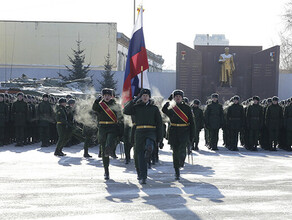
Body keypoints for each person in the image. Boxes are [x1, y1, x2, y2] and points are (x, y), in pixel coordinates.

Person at [123, 88, 163, 184]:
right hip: (139, 131)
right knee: (140, 155)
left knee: (149, 142)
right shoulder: (136, 107)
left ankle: (149, 148)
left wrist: (160, 137)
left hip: (151, 131)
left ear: (149, 97)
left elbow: (159, 123)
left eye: (147, 96)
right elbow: (126, 110)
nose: (145, 97)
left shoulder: (154, 108)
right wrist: (134, 101)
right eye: (143, 96)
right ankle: (143, 176)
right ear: (140, 97)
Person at [162, 90, 195, 180]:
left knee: (182, 149)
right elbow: (164, 110)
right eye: (176, 96)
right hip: (173, 131)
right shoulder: (171, 107)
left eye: (179, 96)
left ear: (182, 98)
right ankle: (177, 171)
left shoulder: (187, 108)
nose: (178, 98)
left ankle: (181, 162)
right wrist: (168, 101)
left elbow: (192, 122)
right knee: (175, 152)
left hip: (184, 131)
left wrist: (192, 135)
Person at [92, 88, 123, 180]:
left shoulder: (115, 105)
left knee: (109, 141)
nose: (107, 97)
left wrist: (121, 131)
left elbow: (120, 117)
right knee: (103, 147)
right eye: (105, 95)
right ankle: (106, 170)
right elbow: (94, 109)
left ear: (111, 96)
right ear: (102, 96)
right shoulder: (100, 105)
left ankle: (109, 148)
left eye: (109, 95)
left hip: (112, 127)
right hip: (102, 127)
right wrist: (96, 101)